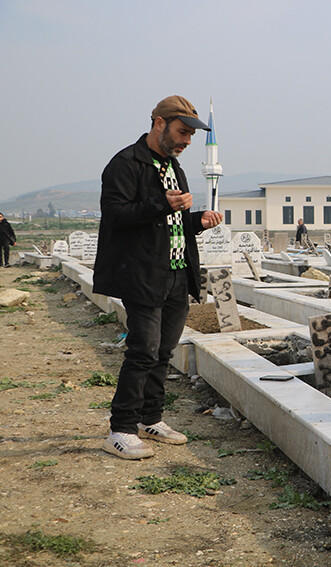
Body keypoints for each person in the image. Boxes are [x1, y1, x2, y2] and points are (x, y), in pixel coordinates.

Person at [94, 95, 223, 460]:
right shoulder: (126, 164)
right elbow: (116, 215)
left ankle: (149, 418)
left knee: (164, 352)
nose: (187, 141)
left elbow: (169, 224)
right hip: (143, 274)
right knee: (143, 351)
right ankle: (120, 429)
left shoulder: (173, 167)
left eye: (191, 136)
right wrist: (163, 204)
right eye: (182, 132)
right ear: (159, 123)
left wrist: (197, 221)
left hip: (176, 273)